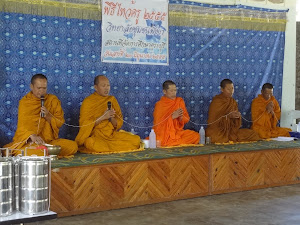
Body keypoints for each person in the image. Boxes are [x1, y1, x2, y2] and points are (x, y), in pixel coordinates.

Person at [4, 74, 78, 156]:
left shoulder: (52, 100)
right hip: (31, 143)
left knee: (73, 146)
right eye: (39, 88)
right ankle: (49, 152)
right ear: (31, 86)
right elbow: (22, 127)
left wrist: (48, 116)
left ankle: (47, 152)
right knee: (28, 151)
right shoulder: (25, 102)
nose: (41, 91)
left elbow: (59, 123)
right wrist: (31, 135)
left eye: (44, 88)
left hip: (48, 141)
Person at [75, 75, 141, 154]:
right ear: (96, 87)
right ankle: (114, 147)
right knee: (90, 143)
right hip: (97, 137)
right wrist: (103, 117)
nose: (106, 88)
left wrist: (110, 117)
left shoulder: (112, 99)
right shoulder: (88, 102)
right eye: (103, 86)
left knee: (136, 140)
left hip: (111, 135)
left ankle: (110, 147)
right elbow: (84, 125)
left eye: (108, 85)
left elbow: (118, 124)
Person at [206, 79, 260, 143]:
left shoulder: (233, 102)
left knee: (253, 134)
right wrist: (228, 117)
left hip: (231, 131)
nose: (231, 91)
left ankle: (230, 138)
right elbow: (212, 123)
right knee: (212, 137)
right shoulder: (216, 102)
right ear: (222, 89)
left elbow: (236, 125)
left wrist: (237, 117)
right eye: (228, 89)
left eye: (232, 88)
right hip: (218, 131)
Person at [152, 80, 200, 147]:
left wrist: (180, 117)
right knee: (159, 140)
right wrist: (172, 117)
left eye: (175, 90)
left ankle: (173, 143)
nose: (174, 93)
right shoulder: (160, 105)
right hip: (164, 134)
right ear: (164, 91)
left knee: (196, 136)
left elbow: (187, 119)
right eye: (171, 91)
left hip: (177, 132)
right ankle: (172, 143)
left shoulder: (179, 101)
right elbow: (158, 125)